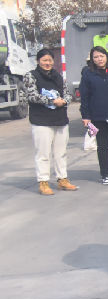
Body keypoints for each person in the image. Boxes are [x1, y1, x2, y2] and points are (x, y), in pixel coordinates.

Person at [24, 49, 78, 195]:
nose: (47, 63)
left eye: (50, 60)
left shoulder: (58, 76)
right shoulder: (31, 76)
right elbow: (32, 96)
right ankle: (43, 182)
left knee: (61, 152)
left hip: (60, 119)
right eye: (44, 60)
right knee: (43, 153)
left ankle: (62, 179)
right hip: (41, 121)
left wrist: (64, 101)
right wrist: (51, 101)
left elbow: (67, 94)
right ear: (38, 61)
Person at [79, 46, 108, 184]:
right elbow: (85, 97)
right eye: (96, 57)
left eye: (101, 56)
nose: (99, 59)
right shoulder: (88, 75)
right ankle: (105, 174)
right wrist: (86, 116)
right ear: (92, 60)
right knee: (102, 147)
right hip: (97, 117)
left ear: (106, 57)